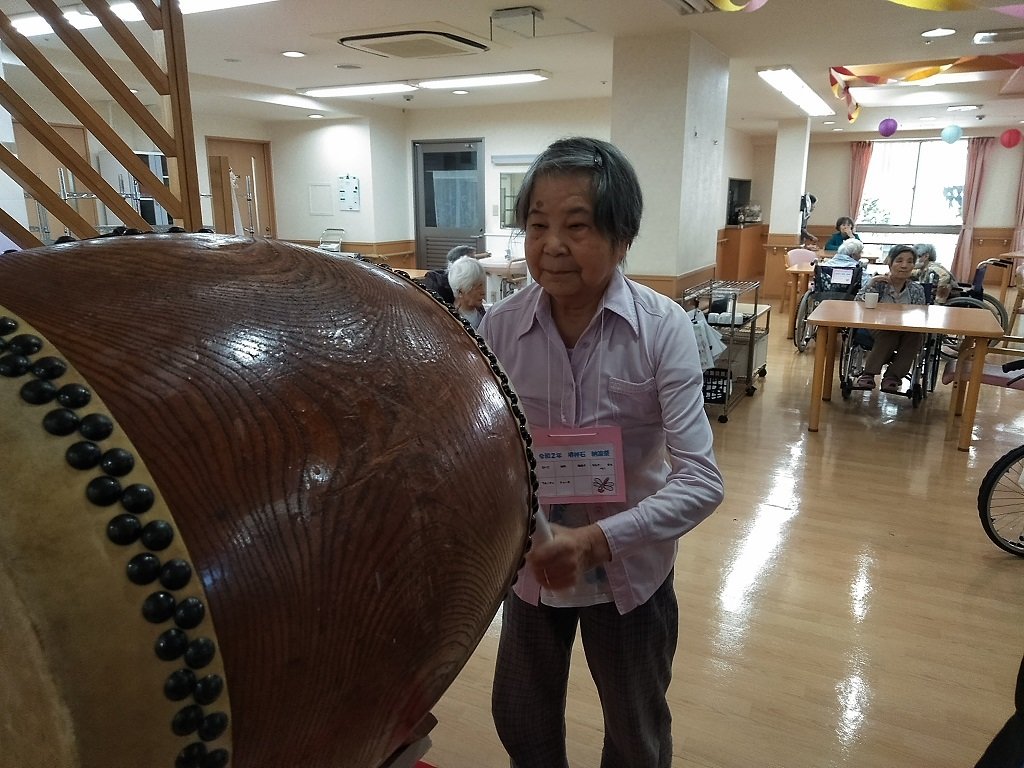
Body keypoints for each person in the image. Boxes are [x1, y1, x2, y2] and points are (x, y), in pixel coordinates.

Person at [478, 136, 724, 768]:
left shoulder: (662, 327)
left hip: (630, 571)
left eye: (577, 226)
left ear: (622, 239)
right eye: (537, 225)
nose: (552, 245)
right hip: (532, 566)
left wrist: (593, 542)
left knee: (637, 734)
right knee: (522, 722)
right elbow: (488, 450)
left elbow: (701, 480)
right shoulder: (500, 327)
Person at [854, 244, 927, 393]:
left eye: (909, 261)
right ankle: (868, 373)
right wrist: (871, 284)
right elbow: (858, 304)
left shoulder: (917, 289)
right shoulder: (878, 283)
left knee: (916, 336)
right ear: (890, 263)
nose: (904, 265)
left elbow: (920, 314)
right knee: (889, 333)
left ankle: (893, 376)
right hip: (876, 325)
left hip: (906, 328)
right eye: (899, 261)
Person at [446, 254, 486, 329]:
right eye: (476, 287)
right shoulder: (451, 321)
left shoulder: (484, 313)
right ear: (460, 291)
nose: (483, 292)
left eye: (482, 285)